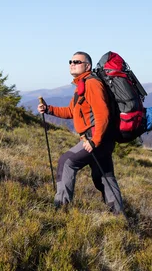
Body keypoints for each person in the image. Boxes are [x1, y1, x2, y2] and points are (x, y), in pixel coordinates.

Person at [38, 51, 124, 214]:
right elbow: (72, 111)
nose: (72, 63)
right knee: (105, 177)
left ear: (87, 66)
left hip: (96, 138)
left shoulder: (92, 83)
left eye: (77, 61)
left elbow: (102, 114)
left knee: (67, 161)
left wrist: (94, 141)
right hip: (103, 140)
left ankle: (60, 209)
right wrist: (48, 109)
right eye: (71, 61)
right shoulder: (82, 85)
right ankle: (118, 215)